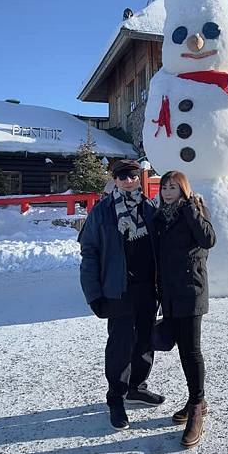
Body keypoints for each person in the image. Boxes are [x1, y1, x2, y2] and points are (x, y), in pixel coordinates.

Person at [79, 159, 164, 430]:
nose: (129, 181)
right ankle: (116, 397)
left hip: (147, 289)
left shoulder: (149, 208)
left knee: (145, 341)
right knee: (120, 345)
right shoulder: (103, 212)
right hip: (118, 290)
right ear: (114, 180)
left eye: (133, 176)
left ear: (139, 179)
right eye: (123, 177)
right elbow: (89, 253)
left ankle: (137, 387)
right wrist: (94, 295)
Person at [154, 171, 216, 449]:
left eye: (173, 187)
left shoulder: (196, 210)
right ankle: (198, 401)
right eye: (164, 187)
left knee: (191, 351)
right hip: (169, 294)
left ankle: (195, 409)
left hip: (191, 291)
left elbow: (208, 240)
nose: (167, 192)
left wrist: (191, 206)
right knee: (181, 350)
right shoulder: (159, 216)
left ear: (184, 189)